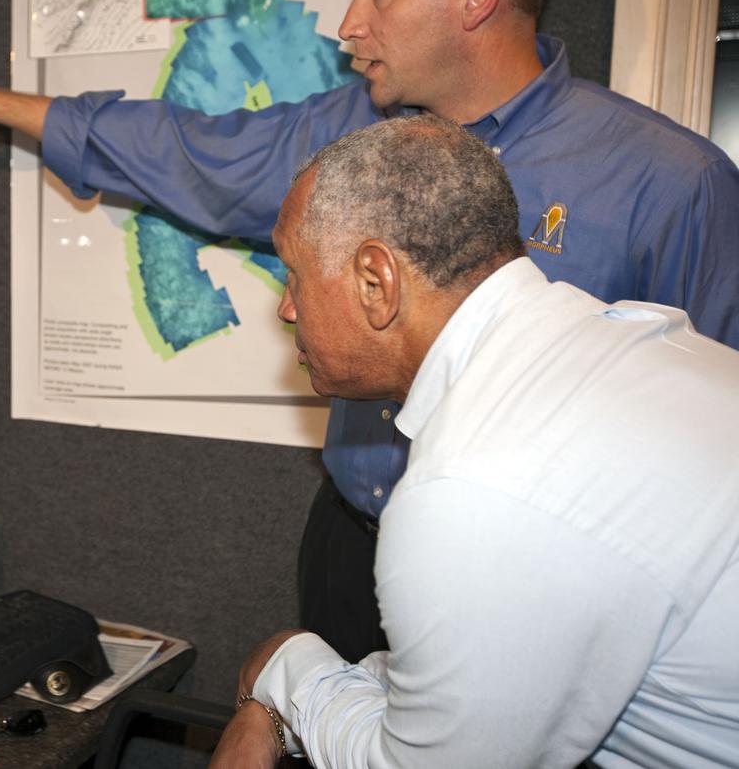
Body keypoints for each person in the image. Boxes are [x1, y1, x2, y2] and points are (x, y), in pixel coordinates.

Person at [0, 0, 739, 663]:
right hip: (355, 543)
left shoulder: (668, 183)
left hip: (542, 587)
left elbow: (714, 462)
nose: (346, 22)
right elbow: (189, 150)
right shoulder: (350, 132)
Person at [211, 114, 739, 768]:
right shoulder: (633, 337)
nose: (286, 309)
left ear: (376, 283)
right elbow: (488, 681)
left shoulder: (471, 490)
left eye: (294, 273)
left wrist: (285, 663)